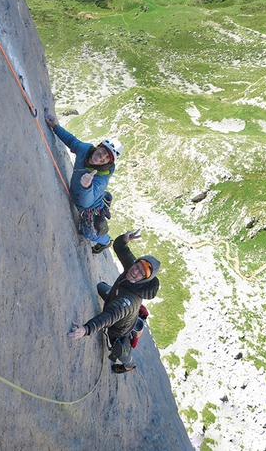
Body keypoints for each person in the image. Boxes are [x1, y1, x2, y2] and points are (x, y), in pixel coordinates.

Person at [67, 229, 160, 374]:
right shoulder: (132, 268)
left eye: (141, 273)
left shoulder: (132, 300)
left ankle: (129, 366)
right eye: (137, 266)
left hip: (118, 327)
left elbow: (110, 316)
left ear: (144, 279)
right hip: (114, 298)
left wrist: (86, 329)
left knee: (122, 353)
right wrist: (124, 239)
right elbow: (120, 249)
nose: (135, 272)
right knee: (100, 287)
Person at [45, 112, 122, 254]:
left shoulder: (101, 179)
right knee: (97, 196)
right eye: (103, 151)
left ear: (108, 162)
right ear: (98, 146)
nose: (101, 157)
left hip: (88, 205)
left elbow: (85, 204)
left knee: (88, 234)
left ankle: (105, 242)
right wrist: (55, 126)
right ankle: (105, 198)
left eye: (106, 158)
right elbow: (72, 141)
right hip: (89, 194)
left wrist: (87, 186)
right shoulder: (86, 149)